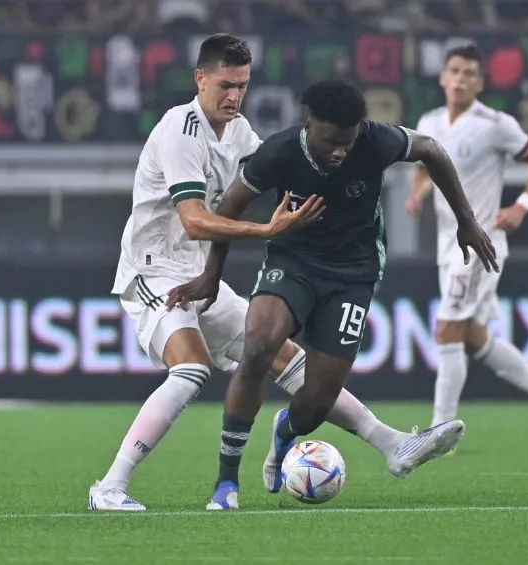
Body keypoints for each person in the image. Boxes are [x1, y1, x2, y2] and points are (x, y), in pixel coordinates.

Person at [88, 34, 456, 512]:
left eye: (242, 85)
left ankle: (392, 444)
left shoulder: (239, 132)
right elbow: (195, 220)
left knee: (286, 360)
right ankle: (110, 486)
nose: (234, 96)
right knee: (192, 368)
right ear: (199, 79)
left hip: (200, 276)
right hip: (154, 272)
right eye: (225, 84)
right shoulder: (180, 129)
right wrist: (268, 229)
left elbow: (279, 167)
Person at [170, 78, 499, 511]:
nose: (341, 151)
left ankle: (286, 429)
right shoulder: (279, 152)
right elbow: (229, 209)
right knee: (258, 348)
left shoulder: (376, 140)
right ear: (310, 125)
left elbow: (432, 150)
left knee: (317, 402)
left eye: (348, 141)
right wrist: (211, 275)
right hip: (293, 264)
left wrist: (466, 220)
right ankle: (226, 483)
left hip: (353, 275)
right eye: (331, 142)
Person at [405, 44, 528, 454]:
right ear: (443, 78)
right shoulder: (429, 122)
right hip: (447, 245)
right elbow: (423, 170)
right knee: (472, 337)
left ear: (480, 83)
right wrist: (418, 193)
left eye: (470, 73)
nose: (461, 78)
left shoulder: (495, 124)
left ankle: (438, 432)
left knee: (447, 328)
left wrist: (521, 206)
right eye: (455, 71)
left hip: (479, 246)